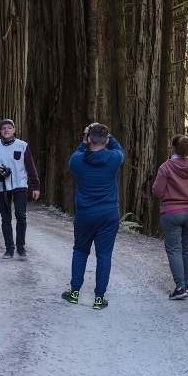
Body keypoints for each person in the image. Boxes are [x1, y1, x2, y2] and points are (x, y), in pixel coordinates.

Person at [62, 122, 124, 310]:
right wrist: (108, 134)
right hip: (109, 214)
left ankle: (74, 293)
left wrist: (84, 140)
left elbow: (77, 154)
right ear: (106, 140)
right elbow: (118, 147)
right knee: (104, 255)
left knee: (80, 251)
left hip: (85, 214)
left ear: (88, 138)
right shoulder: (114, 159)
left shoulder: (77, 161)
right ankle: (99, 299)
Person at [151, 134, 188, 300]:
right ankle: (186, 284)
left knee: (174, 249)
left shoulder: (166, 167)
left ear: (173, 148)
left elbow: (158, 191)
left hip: (171, 212)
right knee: (186, 248)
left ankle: (180, 286)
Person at [0, 118, 41, 260]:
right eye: (4, 128)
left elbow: (30, 167)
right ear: (0, 131)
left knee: (21, 216)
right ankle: (9, 248)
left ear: (14, 130)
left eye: (9, 127)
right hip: (1, 187)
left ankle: (21, 247)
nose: (6, 130)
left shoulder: (22, 145)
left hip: (19, 185)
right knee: (5, 218)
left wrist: (36, 186)